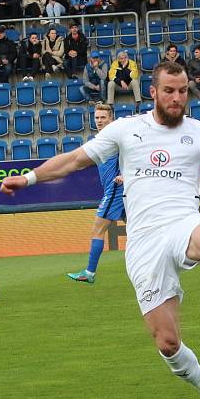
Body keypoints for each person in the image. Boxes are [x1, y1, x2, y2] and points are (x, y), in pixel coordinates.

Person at [1, 60, 200, 399]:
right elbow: (74, 161)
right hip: (142, 243)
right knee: (168, 343)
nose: (177, 97)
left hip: (183, 221)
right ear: (153, 92)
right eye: (169, 90)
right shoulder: (125, 129)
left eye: (183, 90)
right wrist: (29, 179)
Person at [67, 103, 124, 284]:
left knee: (97, 229)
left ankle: (89, 273)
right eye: (97, 118)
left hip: (116, 189)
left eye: (103, 118)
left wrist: (125, 175)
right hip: (117, 189)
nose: (99, 121)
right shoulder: (100, 139)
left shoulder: (116, 138)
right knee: (138, 229)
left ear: (111, 119)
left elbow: (132, 155)